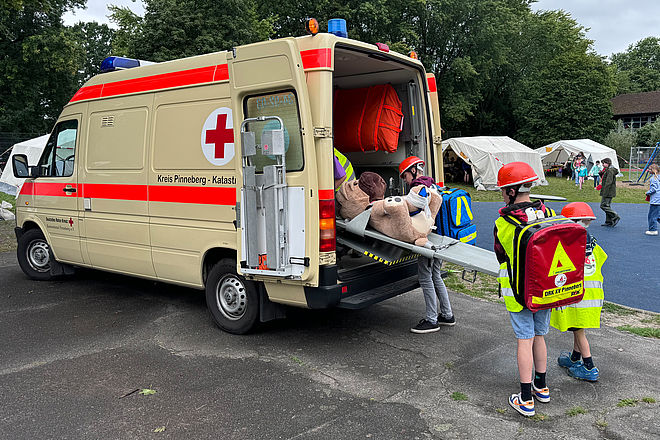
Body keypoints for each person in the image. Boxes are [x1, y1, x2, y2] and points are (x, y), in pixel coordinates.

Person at [494, 162, 554, 417]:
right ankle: (542, 387)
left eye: (502, 189)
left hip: (518, 292)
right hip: (546, 289)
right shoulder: (549, 212)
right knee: (539, 336)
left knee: (524, 339)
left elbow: (500, 256)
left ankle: (526, 398)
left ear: (511, 191)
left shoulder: (503, 222)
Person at [550, 202, 607, 382]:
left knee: (579, 331)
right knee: (578, 327)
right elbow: (602, 258)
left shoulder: (567, 246)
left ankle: (589, 367)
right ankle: (575, 358)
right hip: (593, 296)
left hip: (577, 296)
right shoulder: (591, 243)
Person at [399, 156, 455, 334]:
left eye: (405, 176)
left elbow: (411, 209)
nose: (405, 180)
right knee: (435, 275)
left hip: (428, 240)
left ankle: (432, 320)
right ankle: (447, 315)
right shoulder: (432, 185)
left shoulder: (419, 188)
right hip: (440, 238)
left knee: (425, 277)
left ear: (413, 171)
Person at [599, 158, 620, 227]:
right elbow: (605, 179)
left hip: (608, 191)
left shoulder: (610, 170)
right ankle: (609, 221)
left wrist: (605, 192)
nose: (602, 164)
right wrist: (601, 174)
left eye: (603, 163)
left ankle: (615, 216)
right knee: (607, 206)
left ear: (607, 163)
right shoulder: (609, 170)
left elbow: (609, 182)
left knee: (603, 206)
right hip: (609, 191)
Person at [645, 164, 660, 235]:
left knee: (652, 215)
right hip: (658, 199)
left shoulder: (653, 178)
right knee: (658, 215)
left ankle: (653, 230)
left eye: (650, 169)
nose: (648, 170)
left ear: (654, 170)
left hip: (656, 200)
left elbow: (654, 189)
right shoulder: (658, 177)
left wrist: (647, 192)